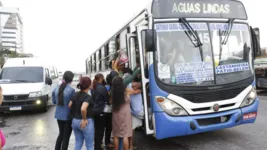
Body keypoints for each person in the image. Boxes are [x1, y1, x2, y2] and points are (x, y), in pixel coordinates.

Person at [111, 67, 141, 150]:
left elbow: (110, 102)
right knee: (125, 135)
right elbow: (136, 91)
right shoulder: (126, 91)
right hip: (125, 114)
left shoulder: (111, 92)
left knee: (116, 135)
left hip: (116, 114)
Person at [69, 77, 94, 150]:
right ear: (89, 85)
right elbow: (83, 109)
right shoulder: (87, 97)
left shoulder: (75, 94)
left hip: (75, 121)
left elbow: (69, 105)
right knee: (89, 146)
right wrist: (84, 119)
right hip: (85, 123)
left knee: (78, 143)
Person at [52, 71, 75, 150]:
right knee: (66, 137)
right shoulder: (71, 90)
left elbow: (54, 101)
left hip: (58, 116)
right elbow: (73, 104)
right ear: (71, 80)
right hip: (68, 117)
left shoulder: (56, 88)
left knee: (61, 135)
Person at [92, 74, 111, 150]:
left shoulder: (94, 87)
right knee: (100, 131)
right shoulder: (102, 88)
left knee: (97, 130)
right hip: (101, 111)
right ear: (101, 79)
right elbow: (107, 100)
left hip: (95, 110)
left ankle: (97, 146)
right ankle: (97, 147)